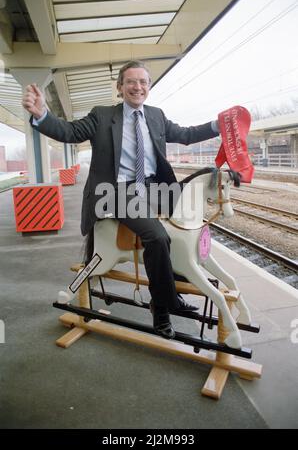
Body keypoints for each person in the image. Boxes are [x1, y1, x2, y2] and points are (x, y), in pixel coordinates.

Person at [22, 60, 220, 340]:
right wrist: (42, 113)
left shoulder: (156, 115)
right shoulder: (102, 116)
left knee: (186, 227)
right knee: (158, 237)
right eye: (131, 82)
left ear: (148, 87)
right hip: (115, 191)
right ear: (120, 87)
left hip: (154, 187)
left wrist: (217, 124)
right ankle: (163, 306)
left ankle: (177, 278)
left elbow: (186, 135)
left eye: (143, 82)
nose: (137, 87)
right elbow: (70, 132)